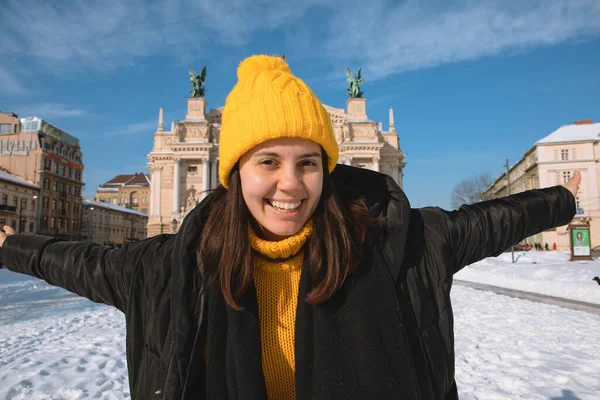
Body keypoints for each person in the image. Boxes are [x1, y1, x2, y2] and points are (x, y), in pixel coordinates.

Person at [0, 55, 580, 400]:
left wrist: (562, 197)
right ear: (233, 173)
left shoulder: (397, 246)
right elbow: (77, 260)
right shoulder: (170, 269)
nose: (290, 185)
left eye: (308, 163)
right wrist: (12, 245)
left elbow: (489, 221)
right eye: (267, 162)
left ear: (328, 170)